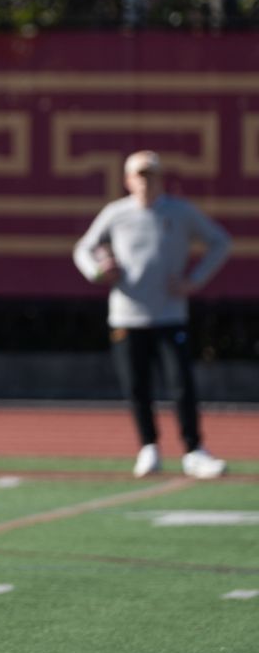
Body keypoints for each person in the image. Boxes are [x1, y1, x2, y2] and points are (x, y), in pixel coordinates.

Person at [73, 150, 232, 480]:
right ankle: (149, 448)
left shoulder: (180, 211)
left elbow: (220, 242)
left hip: (169, 315)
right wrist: (99, 273)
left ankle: (193, 451)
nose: (146, 181)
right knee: (137, 387)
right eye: (139, 175)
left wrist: (194, 280)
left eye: (151, 175)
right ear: (128, 180)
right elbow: (84, 249)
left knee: (181, 385)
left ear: (161, 179)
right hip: (127, 317)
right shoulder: (115, 214)